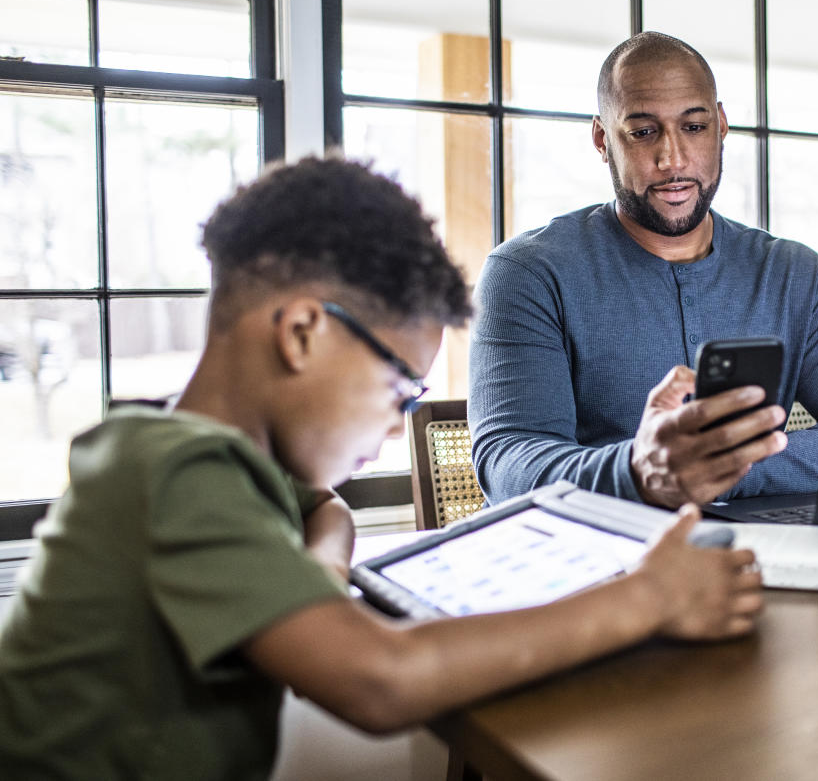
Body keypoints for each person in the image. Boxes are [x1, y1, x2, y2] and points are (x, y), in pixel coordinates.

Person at [0, 157, 764, 780]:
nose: (400, 423)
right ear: (302, 333)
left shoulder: (200, 454)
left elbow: (324, 507)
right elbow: (380, 682)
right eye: (400, 386)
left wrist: (316, 577)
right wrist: (647, 600)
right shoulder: (176, 471)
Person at [469, 32, 818, 509]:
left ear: (721, 125)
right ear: (603, 139)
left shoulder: (797, 275)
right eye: (643, 132)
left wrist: (721, 470)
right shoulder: (527, 275)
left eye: (694, 127)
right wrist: (640, 471)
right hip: (605, 560)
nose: (673, 159)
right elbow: (507, 462)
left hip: (761, 556)